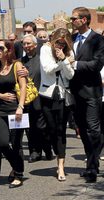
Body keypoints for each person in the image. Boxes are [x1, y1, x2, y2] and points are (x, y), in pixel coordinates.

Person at [70, 7, 104, 183]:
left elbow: (96, 65)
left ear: (84, 20)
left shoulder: (97, 40)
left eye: (73, 18)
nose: (71, 21)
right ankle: (91, 165)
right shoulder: (72, 38)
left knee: (94, 130)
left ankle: (93, 165)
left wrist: (75, 64)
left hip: (91, 91)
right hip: (75, 92)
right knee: (82, 129)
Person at [39, 28, 75, 181]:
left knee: (61, 130)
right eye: (57, 42)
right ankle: (55, 150)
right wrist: (63, 61)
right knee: (51, 129)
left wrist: (65, 60)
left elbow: (70, 75)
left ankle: (61, 166)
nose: (60, 45)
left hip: (63, 95)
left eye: (63, 43)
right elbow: (47, 70)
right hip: (47, 94)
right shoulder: (45, 49)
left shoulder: (69, 53)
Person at [0, 39, 26, 188]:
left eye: (1, 48)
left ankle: (18, 175)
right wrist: (0, 95)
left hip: (15, 109)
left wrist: (20, 107)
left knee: (16, 144)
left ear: (8, 50)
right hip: (0, 110)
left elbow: (23, 87)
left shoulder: (17, 65)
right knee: (3, 143)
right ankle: (18, 168)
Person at [20, 34, 53, 162]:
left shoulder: (41, 60)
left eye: (29, 43)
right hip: (26, 100)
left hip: (40, 98)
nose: (27, 46)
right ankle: (35, 151)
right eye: (24, 44)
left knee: (42, 127)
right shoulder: (20, 61)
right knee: (30, 128)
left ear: (35, 45)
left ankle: (47, 148)